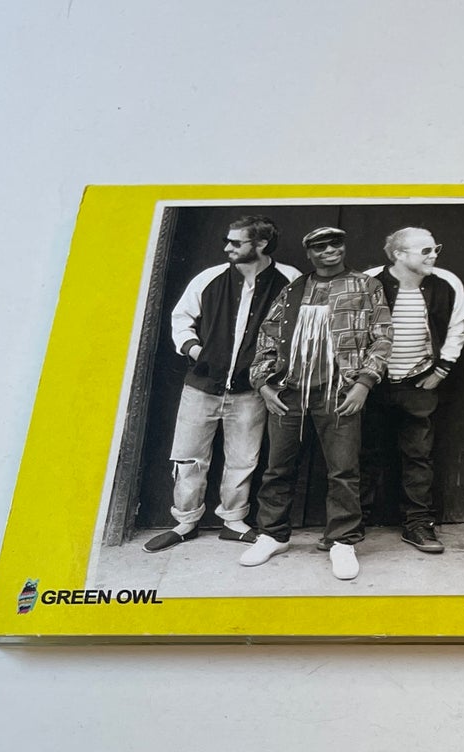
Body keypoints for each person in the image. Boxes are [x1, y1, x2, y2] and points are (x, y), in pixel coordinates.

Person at [241, 226, 393, 581]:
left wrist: (364, 384)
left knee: (343, 471)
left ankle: (342, 541)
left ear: (344, 246)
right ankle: (272, 535)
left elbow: (383, 337)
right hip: (289, 392)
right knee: (277, 468)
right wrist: (264, 385)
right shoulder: (294, 289)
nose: (329, 251)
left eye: (335, 243)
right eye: (319, 246)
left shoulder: (366, 286)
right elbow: (267, 336)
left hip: (339, 392)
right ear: (308, 253)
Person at [143, 216, 300, 552]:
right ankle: (185, 522)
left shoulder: (289, 280)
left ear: (261, 244)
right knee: (188, 457)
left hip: (251, 391)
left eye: (236, 242)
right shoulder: (209, 277)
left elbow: (300, 329)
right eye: (227, 241)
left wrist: (271, 372)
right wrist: (195, 350)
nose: (227, 247)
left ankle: (233, 521)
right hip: (201, 386)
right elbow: (181, 318)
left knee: (243, 459)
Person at [360, 227, 464, 554]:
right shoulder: (369, 281)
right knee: (362, 453)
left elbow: (458, 326)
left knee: (418, 456)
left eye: (435, 248)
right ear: (398, 254)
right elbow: (349, 328)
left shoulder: (446, 282)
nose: (433, 255)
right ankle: (351, 524)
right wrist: (359, 378)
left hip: (417, 383)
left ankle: (418, 524)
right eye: (425, 251)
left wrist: (442, 369)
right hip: (372, 384)